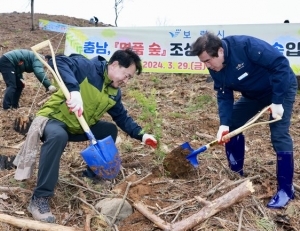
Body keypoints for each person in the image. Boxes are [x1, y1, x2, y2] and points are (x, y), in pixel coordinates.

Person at [22, 48, 157, 223]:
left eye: (129, 78)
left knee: (108, 130)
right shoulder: (88, 67)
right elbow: (60, 62)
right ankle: (40, 198)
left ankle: (92, 176)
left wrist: (142, 135)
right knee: (58, 137)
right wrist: (74, 90)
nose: (126, 80)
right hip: (55, 120)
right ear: (115, 64)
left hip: (79, 127)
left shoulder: (114, 91)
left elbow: (122, 117)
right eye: (126, 75)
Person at [190, 32, 297, 209]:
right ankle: (236, 174)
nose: (207, 66)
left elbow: (281, 65)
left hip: (280, 88)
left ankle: (286, 189)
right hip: (254, 95)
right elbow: (224, 93)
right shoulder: (213, 64)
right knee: (232, 126)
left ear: (220, 51)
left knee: (278, 134)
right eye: (203, 62)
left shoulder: (246, 46)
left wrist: (277, 101)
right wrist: (224, 124)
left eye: (208, 61)